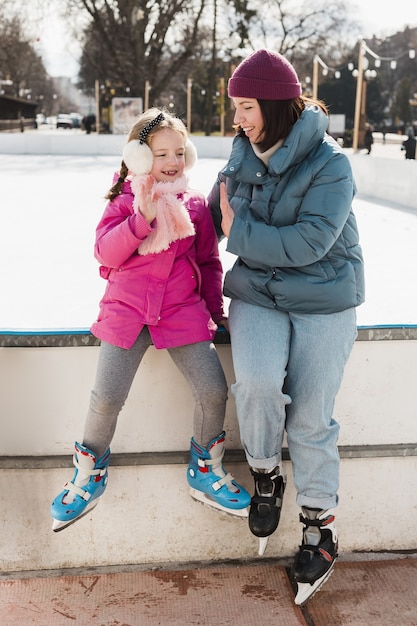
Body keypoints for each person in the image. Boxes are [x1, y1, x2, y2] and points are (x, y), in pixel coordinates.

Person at [208, 50, 365, 605]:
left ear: (274, 106)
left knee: (310, 415)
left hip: (324, 299)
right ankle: (266, 475)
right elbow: (211, 217)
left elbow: (308, 244)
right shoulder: (241, 153)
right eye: (235, 107)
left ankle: (319, 525)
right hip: (259, 295)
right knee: (254, 384)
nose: (238, 118)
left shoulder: (331, 164)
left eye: (246, 107)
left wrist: (236, 230)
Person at [50, 107, 251, 533]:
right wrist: (141, 220)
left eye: (179, 152)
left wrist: (215, 312)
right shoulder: (124, 201)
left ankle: (205, 468)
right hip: (127, 311)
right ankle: (89, 473)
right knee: (106, 398)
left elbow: (209, 263)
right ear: (140, 158)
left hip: (180, 312)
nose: (173, 162)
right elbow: (105, 253)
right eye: (161, 155)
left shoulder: (194, 205)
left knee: (213, 391)